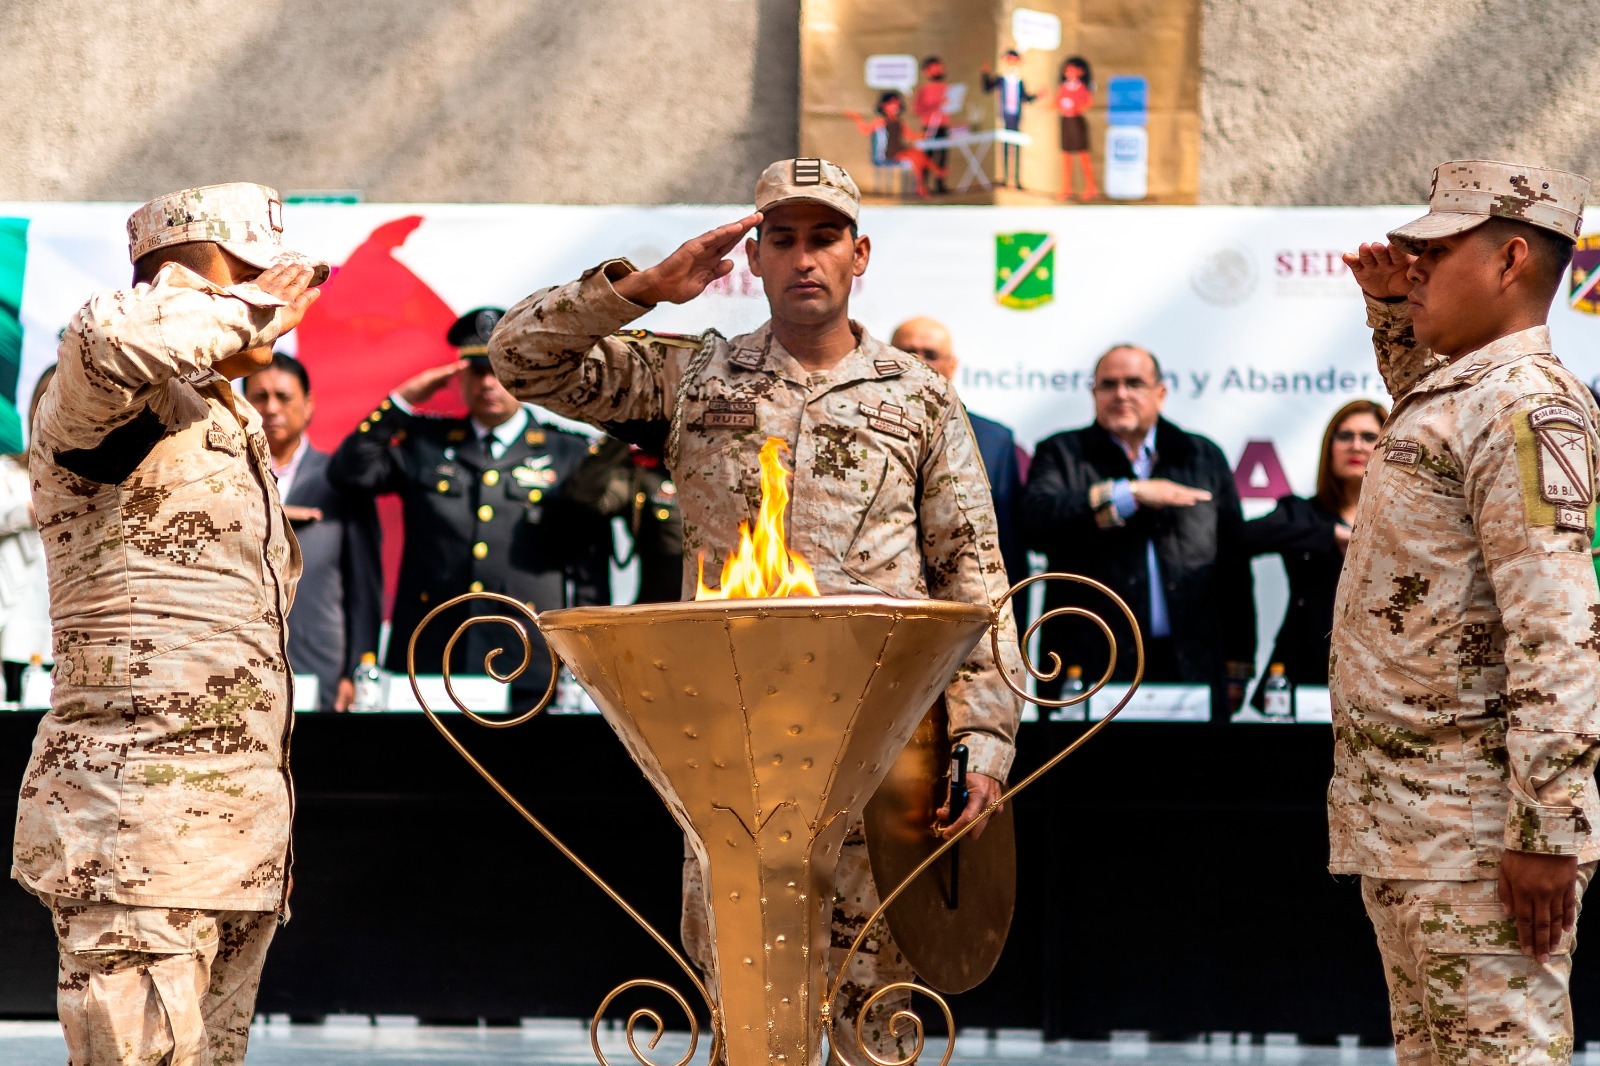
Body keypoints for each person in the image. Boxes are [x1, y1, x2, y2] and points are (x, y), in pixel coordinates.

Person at [486, 157, 1023, 1061]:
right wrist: (643, 287)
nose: (803, 258)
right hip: (737, 755)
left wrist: (986, 744)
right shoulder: (695, 377)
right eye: (783, 239)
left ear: (861, 255)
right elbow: (523, 358)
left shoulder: (920, 397)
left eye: (823, 239)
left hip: (882, 749)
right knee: (745, 1007)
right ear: (756, 257)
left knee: (874, 1007)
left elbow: (971, 575)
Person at [11, 182, 322, 1065]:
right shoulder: (102, 378)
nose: (279, 291)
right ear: (212, 267)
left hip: (235, 839)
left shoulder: (221, 412)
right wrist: (249, 305)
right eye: (259, 269)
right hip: (134, 828)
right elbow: (118, 341)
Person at [1336, 159, 1600, 1062]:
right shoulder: (1465, 391)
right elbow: (1428, 424)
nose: (1412, 269)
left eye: (1436, 252)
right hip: (1418, 825)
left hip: (1481, 834)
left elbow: (1559, 630)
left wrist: (1545, 827)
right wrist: (1390, 315)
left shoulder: (1528, 405)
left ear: (1510, 260)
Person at [327, 307, 612, 707]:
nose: (489, 383)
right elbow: (348, 473)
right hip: (431, 653)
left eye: (501, 370)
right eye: (478, 370)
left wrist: (586, 663)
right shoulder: (425, 443)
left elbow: (588, 568)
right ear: (461, 376)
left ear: (523, 375)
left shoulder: (566, 451)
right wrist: (401, 402)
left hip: (529, 656)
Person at [1020, 344, 1255, 712]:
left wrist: (1238, 668)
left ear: (1160, 393)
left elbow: (1233, 568)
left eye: (1134, 383)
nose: (1121, 394)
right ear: (1094, 393)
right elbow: (1036, 523)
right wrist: (1130, 493)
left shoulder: (1201, 455)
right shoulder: (1062, 452)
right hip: (1087, 664)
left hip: (1189, 664)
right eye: (1108, 384)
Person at [244, 352, 383, 711]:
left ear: (308, 406)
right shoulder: (223, 480)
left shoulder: (339, 480)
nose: (271, 408)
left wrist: (358, 668)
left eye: (283, 397)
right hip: (240, 667)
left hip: (321, 668)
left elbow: (363, 588)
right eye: (259, 397)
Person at [1239, 399, 1385, 707]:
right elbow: (1242, 538)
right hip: (1304, 667)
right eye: (1345, 436)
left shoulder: (1403, 515)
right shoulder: (1301, 512)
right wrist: (1328, 534)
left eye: (1369, 437)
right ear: (1329, 447)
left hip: (1380, 668)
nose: (1356, 446)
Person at [889, 316, 1027, 593]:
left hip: (957, 605)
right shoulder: (856, 426)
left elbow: (1008, 547)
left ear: (952, 367)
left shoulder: (994, 440)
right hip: (882, 600)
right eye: (907, 352)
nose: (917, 361)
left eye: (931, 355)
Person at [559, 436, 685, 604]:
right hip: (660, 611)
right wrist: (622, 430)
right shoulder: (645, 472)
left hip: (723, 604)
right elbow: (584, 496)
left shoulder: (728, 468)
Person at [0, 366, 54, 703]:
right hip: (12, 621)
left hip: (59, 631)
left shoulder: (95, 482)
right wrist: (29, 512)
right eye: (43, 401)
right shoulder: (8, 471)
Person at [845, 91, 946, 199]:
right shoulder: (881, 121)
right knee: (915, 155)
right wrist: (857, 118)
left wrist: (924, 135)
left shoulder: (899, 122)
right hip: (890, 153)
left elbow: (910, 135)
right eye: (892, 104)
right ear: (884, 105)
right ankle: (934, 172)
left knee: (917, 154)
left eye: (897, 104)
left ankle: (924, 183)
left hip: (900, 150)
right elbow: (865, 130)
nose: (895, 107)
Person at [981, 50, 1036, 189]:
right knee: (1005, 147)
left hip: (1016, 117)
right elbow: (987, 88)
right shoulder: (1002, 79)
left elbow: (1025, 98)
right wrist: (985, 74)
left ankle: (1016, 179)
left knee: (1016, 146)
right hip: (1005, 116)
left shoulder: (1019, 80)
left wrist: (1037, 95)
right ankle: (1005, 177)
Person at [1055, 55, 1097, 202]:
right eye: (1068, 70)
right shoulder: (1064, 87)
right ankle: (1066, 187)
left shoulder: (1082, 88)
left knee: (1083, 155)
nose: (1070, 72)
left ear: (1081, 72)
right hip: (1066, 121)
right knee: (1066, 156)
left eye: (1073, 70)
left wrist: (1075, 107)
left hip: (1077, 122)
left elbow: (1088, 102)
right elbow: (1057, 102)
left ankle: (1091, 187)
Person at [911, 55, 950, 195]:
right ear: (927, 71)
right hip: (929, 127)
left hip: (944, 126)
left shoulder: (946, 87)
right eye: (934, 68)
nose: (937, 71)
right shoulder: (924, 90)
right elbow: (917, 110)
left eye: (939, 68)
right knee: (927, 157)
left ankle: (940, 184)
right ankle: (923, 185)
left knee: (943, 157)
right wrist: (935, 105)